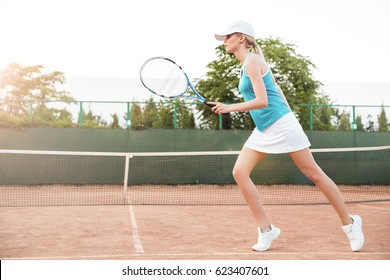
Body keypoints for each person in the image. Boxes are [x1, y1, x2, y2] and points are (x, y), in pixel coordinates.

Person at [208, 20, 364, 252]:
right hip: (264, 128)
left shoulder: (252, 61)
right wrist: (286, 110)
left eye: (228, 37)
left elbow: (263, 100)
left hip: (281, 124)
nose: (225, 42)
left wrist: (230, 107)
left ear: (241, 38)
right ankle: (267, 229)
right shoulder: (247, 64)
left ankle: (350, 224)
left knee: (314, 174)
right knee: (239, 172)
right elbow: (276, 88)